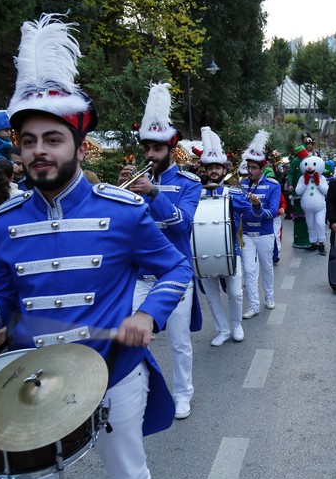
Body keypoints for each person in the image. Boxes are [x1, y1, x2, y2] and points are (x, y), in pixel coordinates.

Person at [0, 14, 192, 479]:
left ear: (80, 148)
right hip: (31, 376)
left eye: (53, 139)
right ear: (18, 151)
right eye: (29, 142)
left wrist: (148, 315)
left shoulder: (122, 211)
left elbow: (175, 267)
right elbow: (1, 289)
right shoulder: (8, 217)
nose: (40, 151)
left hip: (113, 372)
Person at [118, 82, 202, 420]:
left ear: (170, 148)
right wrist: (120, 190)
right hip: (140, 274)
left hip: (175, 273)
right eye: (147, 148)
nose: (150, 155)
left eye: (156, 149)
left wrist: (153, 193)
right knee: (135, 340)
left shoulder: (189, 184)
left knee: (180, 342)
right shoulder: (136, 182)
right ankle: (137, 392)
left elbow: (182, 224)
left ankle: (184, 394)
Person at [197, 126, 266, 345]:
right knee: (212, 295)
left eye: (218, 167)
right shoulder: (195, 194)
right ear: (206, 170)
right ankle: (222, 330)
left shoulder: (233, 192)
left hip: (230, 251)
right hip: (203, 253)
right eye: (211, 167)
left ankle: (236, 325)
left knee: (235, 293)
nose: (214, 171)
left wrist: (256, 205)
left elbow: (252, 212)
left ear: (223, 169)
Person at [240, 130, 281, 319]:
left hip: (265, 234)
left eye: (254, 168)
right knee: (249, 270)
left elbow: (273, 211)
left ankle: (269, 297)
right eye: (248, 167)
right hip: (247, 234)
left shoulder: (273, 185)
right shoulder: (241, 185)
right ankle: (254, 305)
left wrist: (257, 207)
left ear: (261, 168)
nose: (250, 171)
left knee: (267, 267)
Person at [287, 144, 312, 249]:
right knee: (299, 218)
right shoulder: (295, 161)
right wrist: (290, 184)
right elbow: (291, 173)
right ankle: (299, 240)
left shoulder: (310, 160)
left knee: (310, 217)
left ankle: (310, 240)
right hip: (298, 194)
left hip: (309, 193)